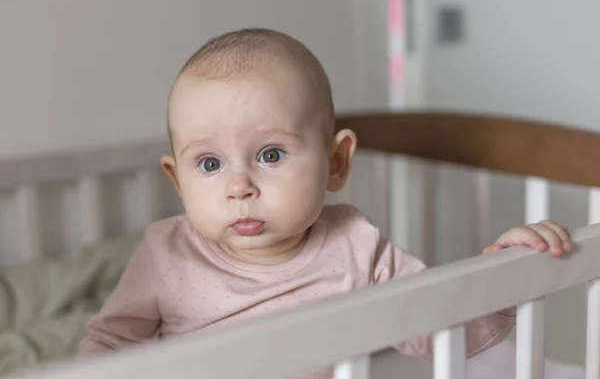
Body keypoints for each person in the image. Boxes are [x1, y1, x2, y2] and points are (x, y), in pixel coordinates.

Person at [77, 28, 572, 378]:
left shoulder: (356, 246)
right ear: (177, 181)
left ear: (336, 163)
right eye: (209, 164)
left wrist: (504, 276)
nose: (239, 187)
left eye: (270, 155)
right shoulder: (165, 255)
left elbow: (443, 328)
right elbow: (110, 347)